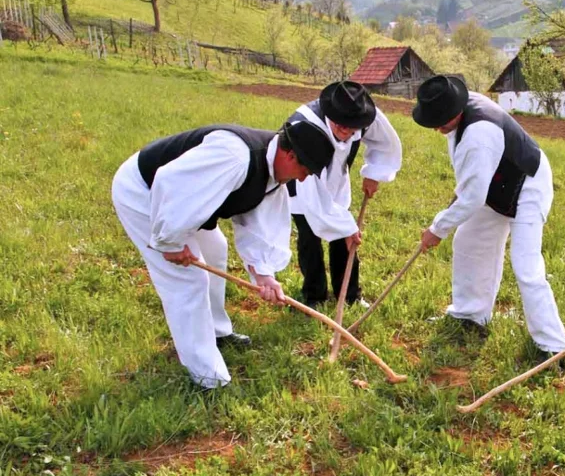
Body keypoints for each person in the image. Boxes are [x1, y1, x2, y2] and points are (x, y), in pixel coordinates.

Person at [112, 121, 335, 388]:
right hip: (145, 193)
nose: (302, 178)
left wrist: (263, 275)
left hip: (187, 203)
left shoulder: (275, 173)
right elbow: (171, 183)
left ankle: (218, 332)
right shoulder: (235, 156)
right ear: (289, 155)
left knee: (216, 249)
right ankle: (208, 378)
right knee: (188, 281)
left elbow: (258, 225)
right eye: (304, 170)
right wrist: (169, 242)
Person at [412, 75, 565, 365]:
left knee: (525, 265)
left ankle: (553, 347)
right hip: (494, 185)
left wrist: (438, 229)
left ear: (457, 111)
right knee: (469, 242)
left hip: (528, 184)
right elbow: (471, 185)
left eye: (441, 121)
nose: (437, 128)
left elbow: (471, 197)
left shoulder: (478, 134)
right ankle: (470, 314)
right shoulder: (460, 114)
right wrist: (447, 219)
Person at [285, 81, 402, 309]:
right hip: (302, 185)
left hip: (336, 181)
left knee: (344, 240)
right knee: (310, 238)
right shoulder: (306, 126)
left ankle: (349, 295)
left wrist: (374, 173)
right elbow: (313, 198)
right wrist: (346, 227)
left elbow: (386, 143)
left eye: (353, 128)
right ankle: (314, 296)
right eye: (341, 126)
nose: (347, 131)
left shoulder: (364, 116)